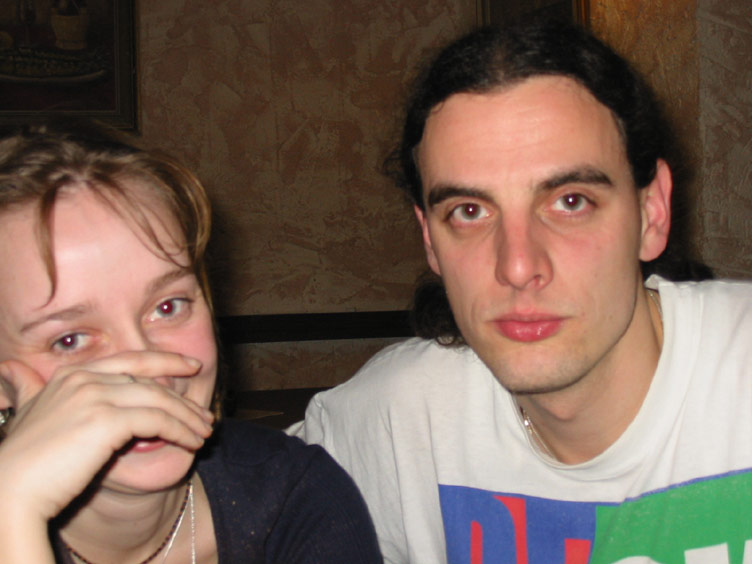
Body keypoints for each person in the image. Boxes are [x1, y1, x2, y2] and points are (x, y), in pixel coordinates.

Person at [290, 20, 752, 563]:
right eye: (469, 211)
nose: (516, 266)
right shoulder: (399, 421)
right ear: (429, 240)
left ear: (652, 213)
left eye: (570, 202)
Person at [0, 121, 381, 563]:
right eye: (70, 339)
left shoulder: (295, 497)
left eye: (168, 307)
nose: (148, 372)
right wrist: (12, 510)